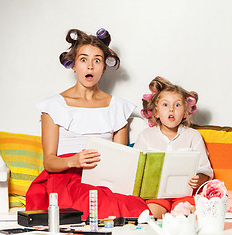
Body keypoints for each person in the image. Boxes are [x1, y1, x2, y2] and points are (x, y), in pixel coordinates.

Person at [26, 28, 148, 221]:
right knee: (95, 203)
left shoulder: (118, 107)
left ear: (104, 67)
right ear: (73, 65)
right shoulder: (53, 106)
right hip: (66, 178)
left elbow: (119, 160)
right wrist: (73, 161)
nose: (90, 66)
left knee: (134, 204)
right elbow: (49, 161)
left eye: (97, 60)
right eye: (83, 60)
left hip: (103, 178)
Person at [134, 76, 214, 219]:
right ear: (156, 112)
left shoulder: (193, 136)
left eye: (177, 105)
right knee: (150, 216)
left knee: (188, 216)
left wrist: (199, 178)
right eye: (165, 105)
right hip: (156, 196)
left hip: (185, 194)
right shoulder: (146, 136)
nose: (171, 109)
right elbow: (134, 166)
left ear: (184, 113)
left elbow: (205, 169)